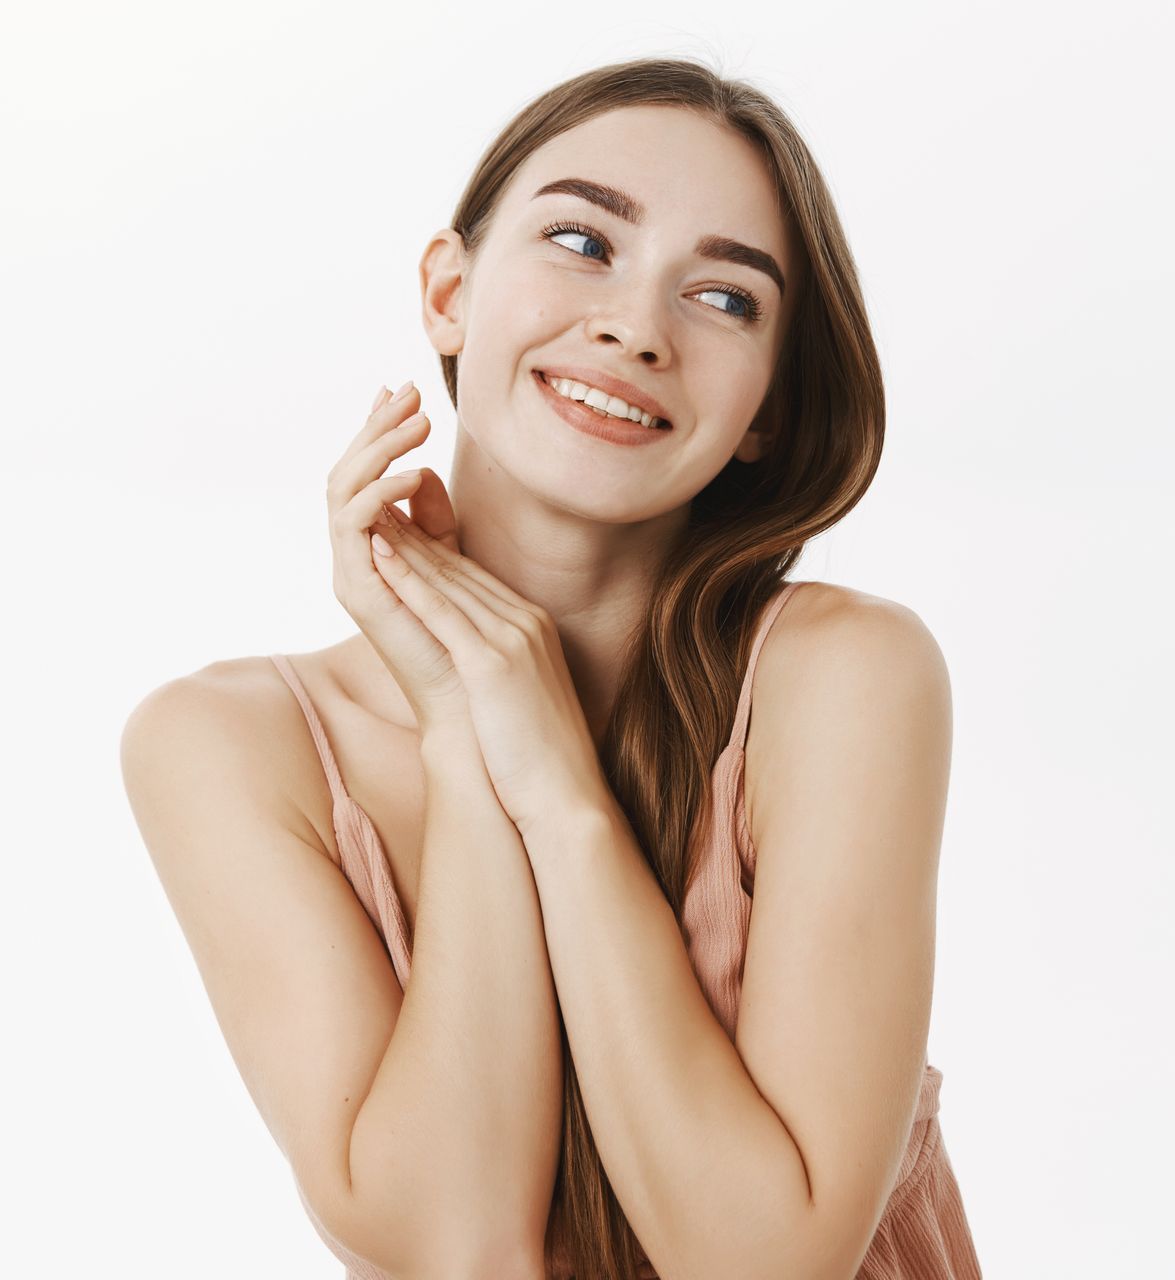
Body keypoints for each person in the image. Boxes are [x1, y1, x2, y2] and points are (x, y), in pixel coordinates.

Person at [120, 57, 980, 1280]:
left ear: (769, 413)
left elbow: (766, 1262)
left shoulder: (845, 676)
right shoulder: (224, 744)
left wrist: (558, 784)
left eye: (726, 299)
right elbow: (457, 1248)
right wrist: (468, 738)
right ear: (449, 291)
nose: (636, 326)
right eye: (583, 240)